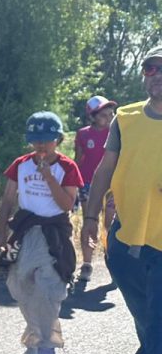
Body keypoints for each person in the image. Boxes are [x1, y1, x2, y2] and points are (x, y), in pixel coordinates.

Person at [84, 44, 162, 354]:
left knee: (159, 315)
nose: (159, 74)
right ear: (144, 75)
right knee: (145, 314)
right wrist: (87, 218)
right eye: (152, 67)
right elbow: (104, 171)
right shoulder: (126, 119)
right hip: (126, 237)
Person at [0, 112, 81, 354]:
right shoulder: (21, 164)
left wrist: (49, 177)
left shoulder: (66, 167)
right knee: (20, 285)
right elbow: (8, 199)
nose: (40, 146)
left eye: (46, 140)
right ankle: (34, 341)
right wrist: (0, 234)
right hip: (24, 231)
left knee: (47, 289)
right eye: (35, 140)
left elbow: (67, 205)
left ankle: (46, 351)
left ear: (58, 139)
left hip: (52, 233)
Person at [74, 94, 118, 281]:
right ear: (92, 116)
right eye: (103, 114)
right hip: (87, 183)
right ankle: (87, 263)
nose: (108, 117)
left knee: (110, 223)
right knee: (89, 220)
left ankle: (112, 261)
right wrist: (74, 185)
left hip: (112, 184)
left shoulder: (117, 132)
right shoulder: (83, 134)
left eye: (111, 113)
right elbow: (78, 159)